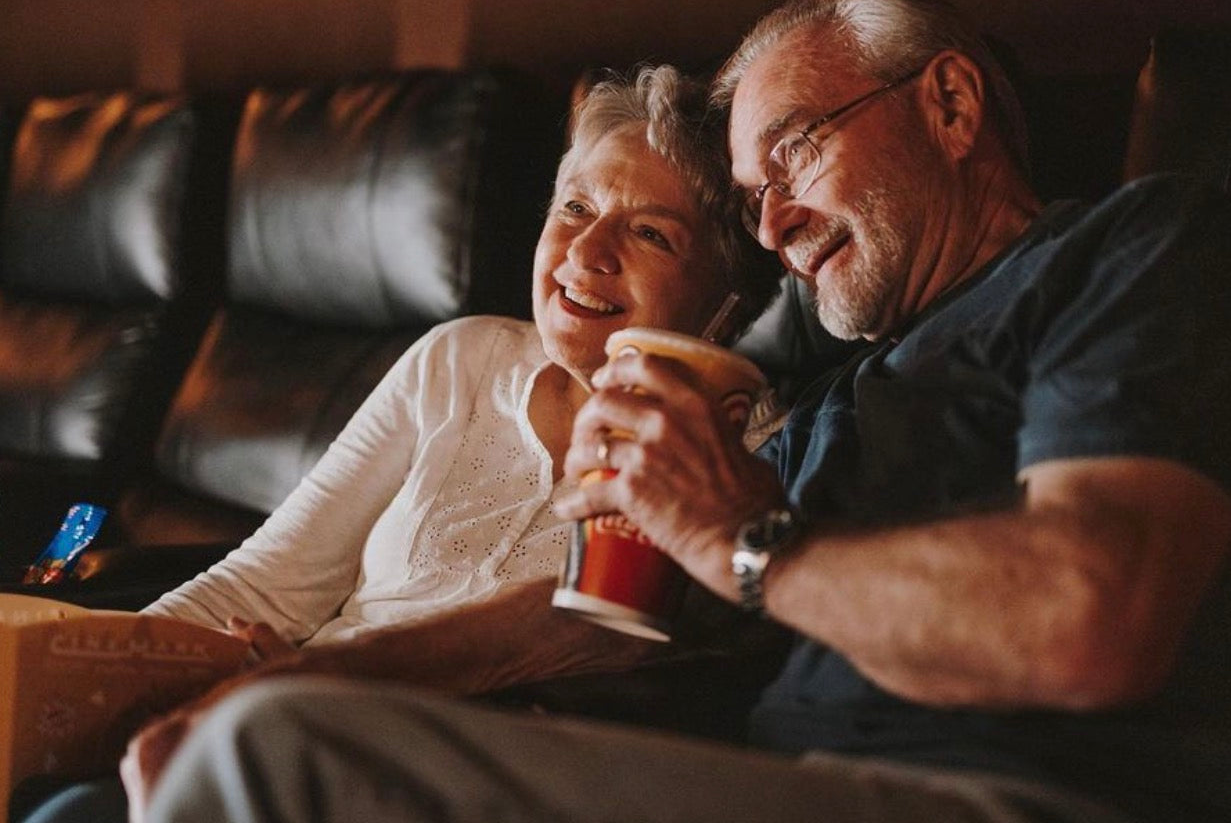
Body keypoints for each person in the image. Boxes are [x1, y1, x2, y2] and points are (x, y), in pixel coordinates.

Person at [129, 0, 1231, 823]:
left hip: (1004, 792)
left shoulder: (1128, 254)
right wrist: (289, 673)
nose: (774, 225)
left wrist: (746, 534)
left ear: (951, 107)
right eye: (752, 195)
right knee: (249, 737)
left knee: (264, 763)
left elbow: (1088, 615)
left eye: (796, 150)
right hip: (776, 779)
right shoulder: (835, 399)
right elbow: (592, 619)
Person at [14, 64, 781, 823]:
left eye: (651, 233)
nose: (588, 251)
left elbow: (600, 675)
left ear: (728, 303)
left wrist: (308, 691)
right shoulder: (461, 359)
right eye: (576, 206)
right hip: (277, 726)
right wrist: (97, 679)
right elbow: (261, 585)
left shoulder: (746, 466)